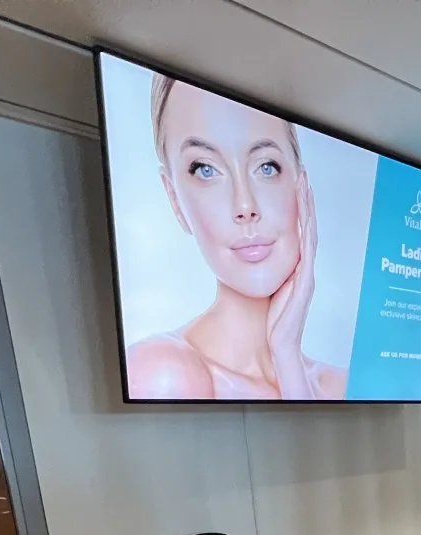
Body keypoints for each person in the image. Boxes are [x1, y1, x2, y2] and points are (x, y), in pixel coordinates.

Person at [125, 75, 347, 401]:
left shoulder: (339, 386)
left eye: (267, 166)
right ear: (174, 198)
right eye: (205, 169)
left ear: (301, 183)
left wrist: (286, 356)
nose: (245, 206)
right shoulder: (162, 374)